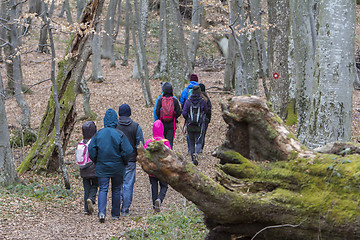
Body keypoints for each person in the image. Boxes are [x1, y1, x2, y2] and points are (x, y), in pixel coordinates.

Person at [88, 108, 133, 223]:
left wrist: (96, 160)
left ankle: (102, 213)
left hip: (102, 166)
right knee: (116, 189)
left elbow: (91, 150)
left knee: (103, 189)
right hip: (117, 167)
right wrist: (124, 161)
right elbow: (128, 151)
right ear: (115, 121)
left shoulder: (98, 134)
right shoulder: (120, 134)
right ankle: (115, 214)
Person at [116, 104, 144, 217]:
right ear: (130, 113)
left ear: (119, 113)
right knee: (128, 184)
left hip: (117, 160)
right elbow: (140, 144)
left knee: (118, 184)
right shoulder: (136, 127)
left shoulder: (114, 126)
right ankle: (125, 208)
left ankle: (118, 205)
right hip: (131, 160)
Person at [144, 120, 171, 212]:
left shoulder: (148, 142)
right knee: (164, 186)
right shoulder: (165, 142)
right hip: (162, 170)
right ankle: (160, 199)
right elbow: (169, 155)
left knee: (153, 186)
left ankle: (154, 206)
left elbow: (144, 154)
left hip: (152, 169)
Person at [75, 121, 98, 215]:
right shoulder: (94, 142)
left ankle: (86, 209)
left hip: (83, 170)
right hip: (93, 169)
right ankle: (91, 199)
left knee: (86, 188)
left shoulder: (81, 143)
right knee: (95, 185)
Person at [182, 85, 208, 165]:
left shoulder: (188, 101)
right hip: (200, 125)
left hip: (190, 124)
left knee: (192, 141)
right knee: (199, 141)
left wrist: (188, 119)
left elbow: (184, 113)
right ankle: (196, 154)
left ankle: (193, 160)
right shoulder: (203, 101)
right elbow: (206, 110)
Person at [155, 82, 181, 149]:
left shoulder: (160, 100)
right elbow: (179, 111)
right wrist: (174, 117)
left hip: (162, 124)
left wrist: (160, 117)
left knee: (162, 141)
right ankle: (170, 156)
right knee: (170, 142)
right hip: (172, 124)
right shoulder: (174, 100)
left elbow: (156, 111)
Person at [199, 83, 212, 153]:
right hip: (205, 119)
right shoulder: (207, 98)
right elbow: (209, 110)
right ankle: (200, 148)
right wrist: (208, 119)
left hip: (197, 119)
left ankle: (194, 148)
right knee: (203, 134)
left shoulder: (196, 97)